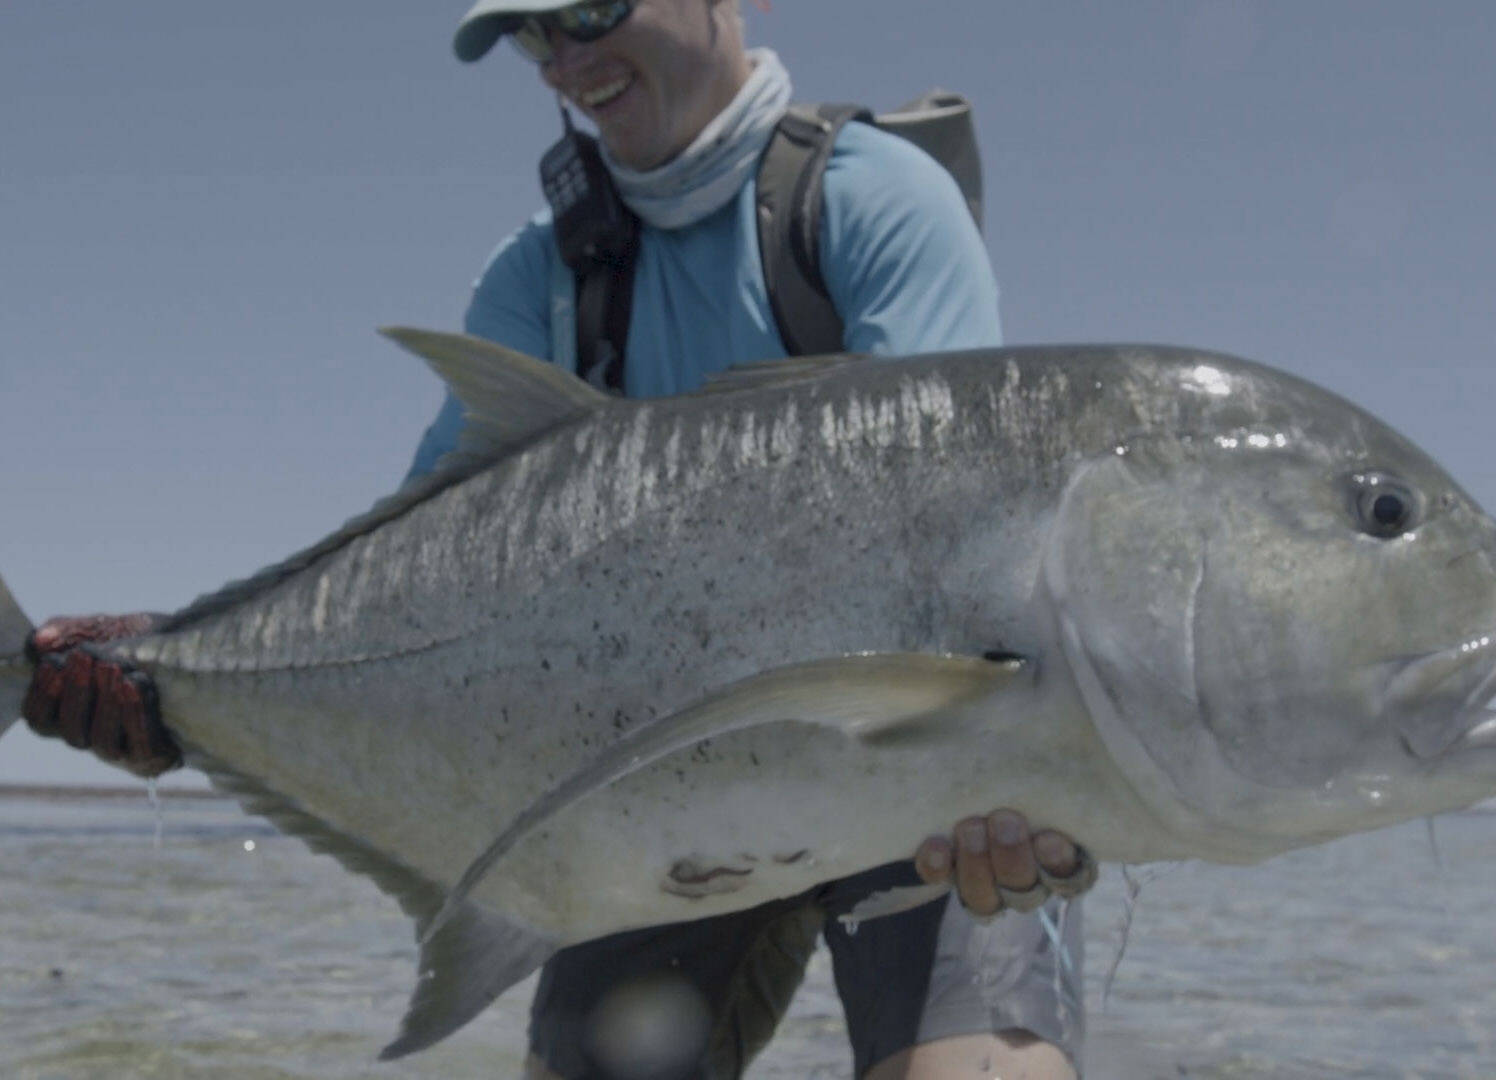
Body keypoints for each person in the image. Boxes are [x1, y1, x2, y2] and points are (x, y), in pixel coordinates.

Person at [21, 2, 1095, 1077]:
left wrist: (1053, 772)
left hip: (918, 784)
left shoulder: (876, 202)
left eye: (589, 10)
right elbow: (402, 600)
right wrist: (179, 679)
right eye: (533, 37)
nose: (566, 63)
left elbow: (953, 556)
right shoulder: (538, 278)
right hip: (654, 801)